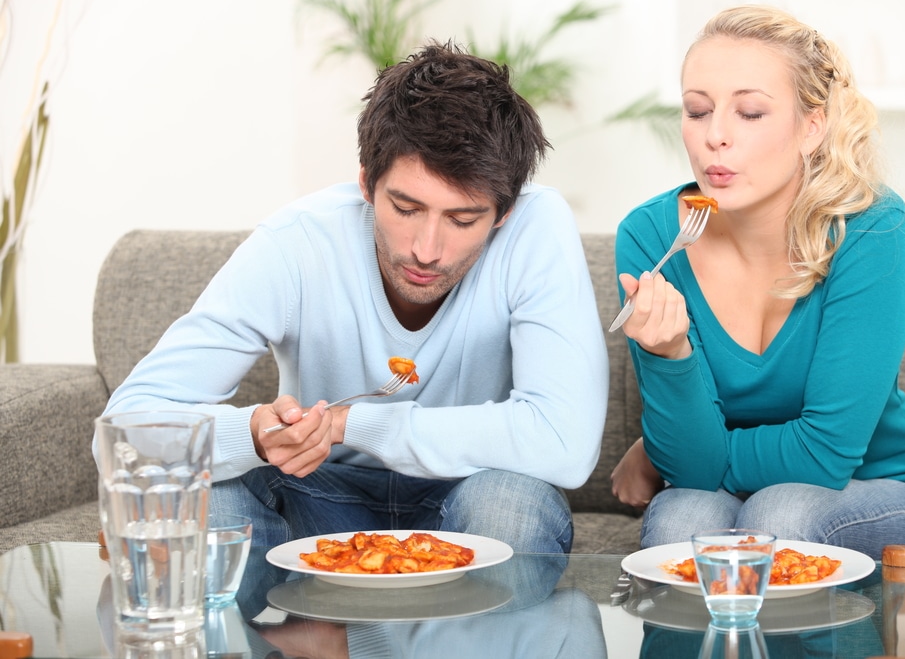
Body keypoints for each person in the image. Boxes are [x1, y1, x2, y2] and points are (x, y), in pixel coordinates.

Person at [96, 41, 609, 615]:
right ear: (366, 183)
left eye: (463, 219)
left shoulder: (535, 229)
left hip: (470, 496)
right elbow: (123, 429)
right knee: (205, 504)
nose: (427, 250)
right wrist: (255, 433)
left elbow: (565, 445)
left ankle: (346, 641)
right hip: (313, 503)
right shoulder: (297, 243)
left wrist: (351, 423)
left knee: (511, 502)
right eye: (405, 207)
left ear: (504, 212)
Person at [609, 6, 905, 559]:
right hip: (730, 492)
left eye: (749, 113)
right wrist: (670, 352)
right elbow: (692, 478)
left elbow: (824, 455)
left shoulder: (872, 229)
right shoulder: (652, 236)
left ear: (812, 126)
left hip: (883, 492)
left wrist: (667, 450)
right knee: (682, 516)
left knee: (779, 513)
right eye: (697, 111)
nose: (715, 137)